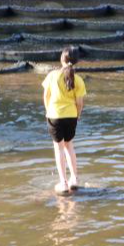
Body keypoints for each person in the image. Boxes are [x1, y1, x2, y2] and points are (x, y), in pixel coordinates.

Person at [42, 46, 87, 193]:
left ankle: (63, 182)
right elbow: (79, 102)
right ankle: (74, 179)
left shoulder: (52, 76)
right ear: (77, 62)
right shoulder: (78, 79)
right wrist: (77, 114)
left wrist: (48, 110)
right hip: (71, 115)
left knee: (58, 148)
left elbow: (46, 96)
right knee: (69, 146)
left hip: (54, 115)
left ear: (62, 59)